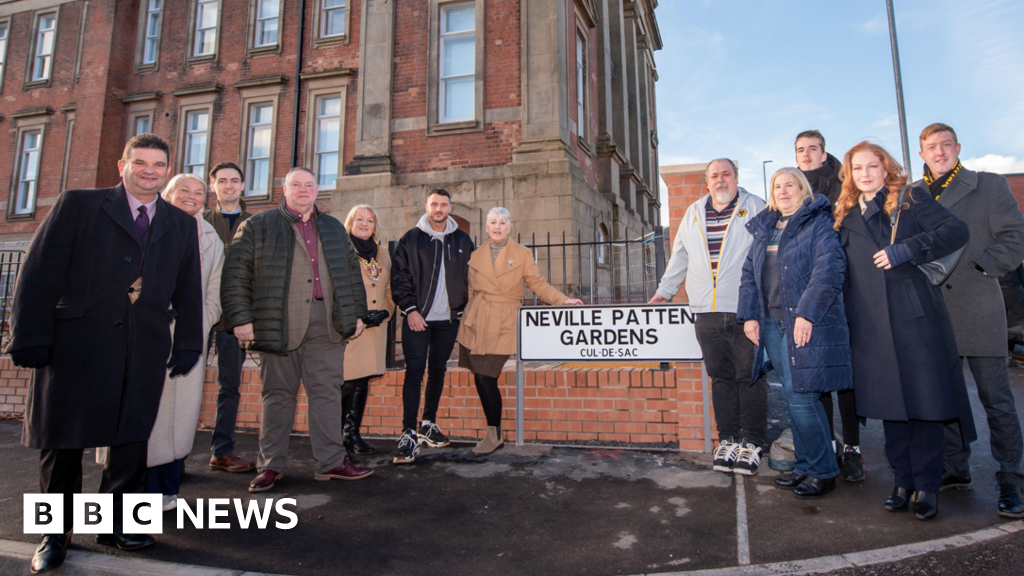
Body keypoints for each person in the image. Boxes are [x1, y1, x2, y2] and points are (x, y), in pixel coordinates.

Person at [7, 134, 203, 573]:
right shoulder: (78, 205)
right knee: (63, 445)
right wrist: (28, 336)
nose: (149, 170)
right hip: (77, 346)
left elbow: (189, 290)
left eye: (157, 164)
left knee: (131, 442)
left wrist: (190, 341)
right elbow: (39, 273)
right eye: (140, 162)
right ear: (122, 165)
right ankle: (54, 534)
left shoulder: (180, 223)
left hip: (144, 347)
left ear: (167, 169)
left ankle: (116, 524)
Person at [834, 141, 973, 520]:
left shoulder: (909, 199)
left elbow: (956, 231)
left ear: (885, 168)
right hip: (869, 324)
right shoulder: (844, 214)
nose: (865, 174)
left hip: (914, 320)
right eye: (857, 168)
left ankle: (928, 486)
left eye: (872, 166)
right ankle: (903, 481)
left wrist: (908, 249)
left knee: (924, 403)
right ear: (849, 175)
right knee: (890, 405)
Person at [221, 167, 372, 493]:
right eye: (296, 185)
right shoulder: (257, 226)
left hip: (326, 323)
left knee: (327, 393)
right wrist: (240, 318)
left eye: (309, 185)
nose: (303, 190)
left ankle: (331, 462)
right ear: (284, 189)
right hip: (278, 321)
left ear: (318, 190)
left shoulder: (332, 227)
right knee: (277, 395)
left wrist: (358, 312)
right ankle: (270, 466)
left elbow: (350, 274)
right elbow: (235, 274)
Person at [914, 123, 1024, 518]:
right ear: (922, 152)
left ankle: (1012, 478)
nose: (939, 152)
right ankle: (955, 468)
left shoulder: (989, 186)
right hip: (934, 313)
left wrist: (984, 266)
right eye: (931, 147)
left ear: (958, 147)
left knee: (997, 400)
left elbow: (1016, 235)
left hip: (978, 307)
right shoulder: (914, 195)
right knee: (945, 398)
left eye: (946, 145)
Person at [649, 159, 768, 475]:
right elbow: (680, 256)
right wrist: (665, 290)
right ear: (707, 183)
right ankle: (728, 439)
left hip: (745, 308)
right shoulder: (694, 213)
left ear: (737, 177)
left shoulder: (755, 206)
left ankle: (752, 442)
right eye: (714, 175)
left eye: (726, 174)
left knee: (750, 376)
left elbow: (767, 254)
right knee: (720, 377)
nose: (721, 180)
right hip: (706, 310)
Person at [738, 168, 851, 498]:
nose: (784, 190)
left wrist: (807, 313)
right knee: (793, 396)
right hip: (771, 324)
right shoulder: (765, 229)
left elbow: (829, 270)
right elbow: (749, 276)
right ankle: (804, 465)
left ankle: (823, 469)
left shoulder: (818, 224)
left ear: (804, 191)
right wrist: (750, 318)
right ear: (771, 193)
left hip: (801, 323)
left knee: (802, 399)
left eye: (791, 185)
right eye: (777, 186)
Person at [457, 208, 584, 454]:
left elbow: (537, 284)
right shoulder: (476, 255)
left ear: (509, 226)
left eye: (502, 222)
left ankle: (494, 434)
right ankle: (494, 433)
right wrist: (464, 318)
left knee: (485, 376)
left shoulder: (522, 254)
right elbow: (470, 291)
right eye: (493, 222)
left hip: (503, 320)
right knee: (481, 377)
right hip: (477, 319)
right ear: (486, 226)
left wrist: (561, 300)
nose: (497, 226)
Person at [146, 174, 224, 511]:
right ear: (168, 193)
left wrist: (195, 325)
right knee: (147, 416)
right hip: (147, 333)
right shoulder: (149, 225)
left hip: (189, 337)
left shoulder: (211, 239)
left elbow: (214, 295)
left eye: (199, 193)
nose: (192, 197)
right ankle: (138, 492)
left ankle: (167, 487)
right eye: (184, 191)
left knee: (179, 417)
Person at [794, 130, 863, 481]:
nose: (806, 155)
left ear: (824, 154)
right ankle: (830, 445)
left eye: (812, 149)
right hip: (809, 295)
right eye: (800, 150)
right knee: (818, 373)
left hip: (846, 290)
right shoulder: (795, 193)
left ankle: (853, 448)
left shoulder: (844, 188)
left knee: (845, 376)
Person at [390, 189, 474, 464]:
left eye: (444, 204)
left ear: (450, 207)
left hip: (448, 321)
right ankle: (408, 432)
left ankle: (428, 423)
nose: (439, 209)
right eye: (434, 204)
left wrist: (463, 310)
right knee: (414, 372)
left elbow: (471, 278)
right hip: (418, 319)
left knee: (438, 370)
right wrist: (410, 310)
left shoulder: (462, 240)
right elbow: (399, 277)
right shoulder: (411, 240)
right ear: (426, 206)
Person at [203, 162, 256, 474]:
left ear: (242, 185)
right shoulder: (199, 221)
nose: (228, 186)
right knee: (183, 383)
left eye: (234, 181)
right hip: (198, 314)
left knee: (229, 386)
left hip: (233, 319)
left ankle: (221, 450)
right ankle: (172, 455)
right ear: (214, 187)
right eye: (222, 181)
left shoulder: (255, 223)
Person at [341, 205, 395, 455]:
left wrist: (385, 311)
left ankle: (351, 434)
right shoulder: (341, 250)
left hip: (375, 328)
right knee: (347, 383)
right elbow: (337, 289)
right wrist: (356, 315)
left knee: (362, 382)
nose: (364, 224)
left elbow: (388, 290)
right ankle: (335, 436)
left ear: (375, 226)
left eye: (370, 220)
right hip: (353, 328)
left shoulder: (382, 253)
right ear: (350, 223)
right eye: (359, 219)